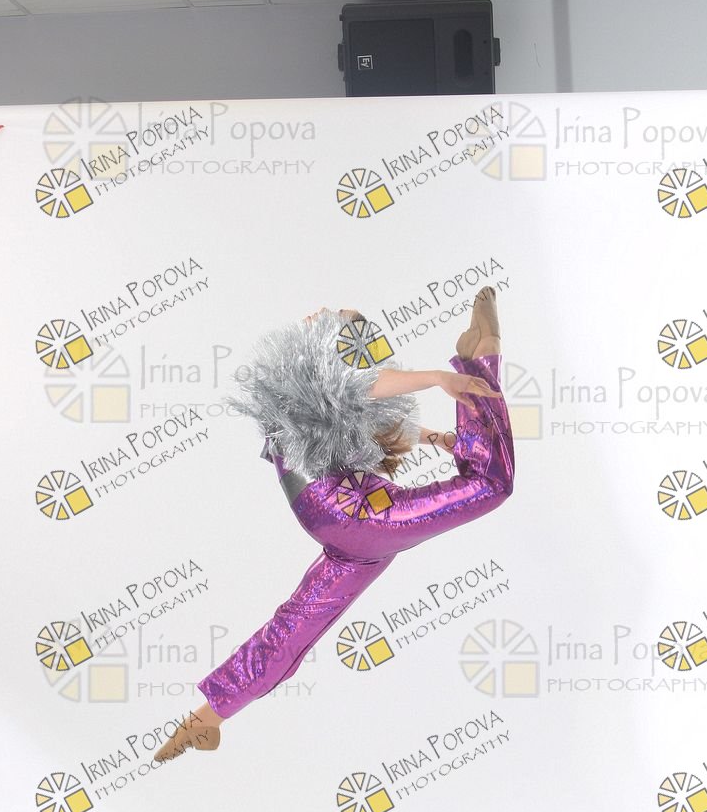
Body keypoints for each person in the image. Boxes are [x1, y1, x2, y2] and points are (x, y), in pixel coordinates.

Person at [154, 287, 514, 762]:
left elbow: (368, 412)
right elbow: (362, 387)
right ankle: (482, 359)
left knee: (293, 628)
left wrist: (439, 439)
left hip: (347, 528)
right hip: (354, 514)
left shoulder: (309, 391)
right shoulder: (313, 377)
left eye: (335, 314)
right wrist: (440, 378)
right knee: (491, 484)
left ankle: (206, 718)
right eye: (338, 315)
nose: (320, 311)